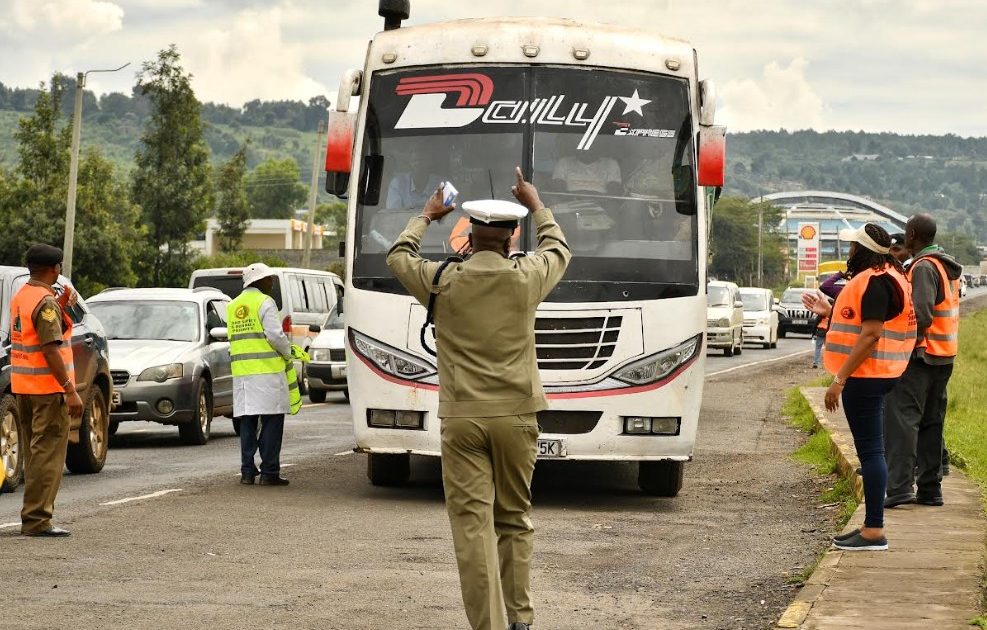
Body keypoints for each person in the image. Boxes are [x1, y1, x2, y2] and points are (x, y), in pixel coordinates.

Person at [387, 167, 570, 630]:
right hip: (518, 418)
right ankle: (521, 620)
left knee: (473, 526)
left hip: (463, 419)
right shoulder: (526, 276)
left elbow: (398, 255)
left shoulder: (440, 280)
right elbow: (558, 248)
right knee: (514, 518)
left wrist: (428, 215)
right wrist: (536, 203)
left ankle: (487, 626)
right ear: (510, 239)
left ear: (468, 234)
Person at [803, 224, 915, 551]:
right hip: (882, 373)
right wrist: (829, 311)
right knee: (872, 451)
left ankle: (873, 530)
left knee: (871, 453)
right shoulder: (888, 276)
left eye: (853, 247)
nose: (849, 252)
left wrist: (839, 381)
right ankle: (871, 526)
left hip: (866, 375)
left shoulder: (874, 282)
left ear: (862, 250)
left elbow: (870, 335)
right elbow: (863, 323)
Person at [883, 214, 963, 507]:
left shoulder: (924, 267)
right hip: (943, 355)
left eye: (906, 233)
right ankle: (930, 489)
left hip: (921, 356)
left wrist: (903, 345)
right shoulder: (945, 265)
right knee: (931, 422)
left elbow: (923, 314)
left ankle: (900, 487)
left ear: (913, 234)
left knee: (903, 420)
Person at [11, 244, 84, 537]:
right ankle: (37, 519)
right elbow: (51, 348)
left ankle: (33, 516)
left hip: (24, 388)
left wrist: (63, 305)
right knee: (47, 456)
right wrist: (70, 390)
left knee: (34, 453)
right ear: (54, 269)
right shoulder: (45, 302)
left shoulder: (23, 295)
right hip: (47, 391)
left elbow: (42, 334)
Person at [227, 263, 293, 486]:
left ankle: (247, 472)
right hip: (267, 374)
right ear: (258, 281)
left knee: (247, 422)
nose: (272, 282)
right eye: (269, 279)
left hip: (242, 375)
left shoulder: (233, 306)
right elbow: (275, 335)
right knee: (272, 421)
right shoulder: (265, 302)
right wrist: (288, 352)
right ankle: (269, 472)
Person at [811, 272, 847, 369]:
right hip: (828, 331)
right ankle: (826, 364)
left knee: (819, 348)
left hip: (822, 331)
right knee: (828, 349)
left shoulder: (845, 292)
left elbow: (825, 286)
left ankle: (817, 363)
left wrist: (840, 274)